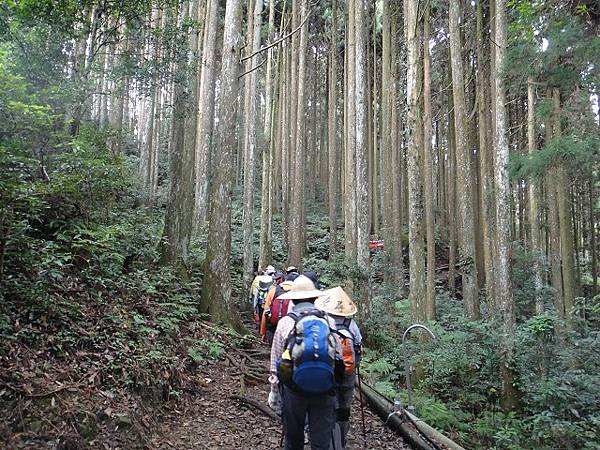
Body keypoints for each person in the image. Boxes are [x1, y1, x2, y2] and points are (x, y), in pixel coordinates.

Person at [268, 275, 342, 450]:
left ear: (292, 299)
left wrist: (274, 392)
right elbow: (337, 356)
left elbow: (276, 361)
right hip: (325, 389)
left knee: (293, 440)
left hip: (294, 390)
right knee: (321, 442)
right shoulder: (328, 320)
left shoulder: (286, 322)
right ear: (315, 297)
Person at [315, 287, 362, 448]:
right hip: (348, 372)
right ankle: (342, 437)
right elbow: (358, 347)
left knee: (330, 406)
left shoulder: (324, 321)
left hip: (330, 371)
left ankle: (331, 440)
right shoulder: (352, 324)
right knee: (345, 407)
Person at [259, 277, 293, 344]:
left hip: (274, 323)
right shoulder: (299, 292)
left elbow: (266, 311)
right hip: (292, 326)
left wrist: (263, 332)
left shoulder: (273, 290)